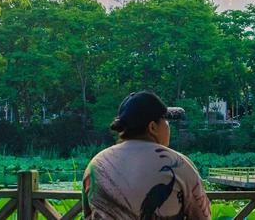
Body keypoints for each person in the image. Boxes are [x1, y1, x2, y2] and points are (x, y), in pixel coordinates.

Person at [82, 91, 211, 220]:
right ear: (153, 127)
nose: (168, 127)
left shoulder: (96, 164)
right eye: (166, 120)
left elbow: (88, 215)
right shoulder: (179, 165)